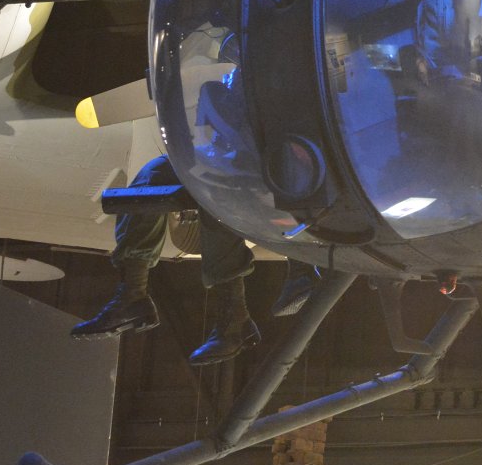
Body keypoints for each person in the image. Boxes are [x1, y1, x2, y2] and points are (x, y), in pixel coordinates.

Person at [69, 156, 322, 364]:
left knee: (214, 191)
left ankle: (234, 317)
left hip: (265, 163)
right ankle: (132, 295)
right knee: (153, 174)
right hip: (226, 155)